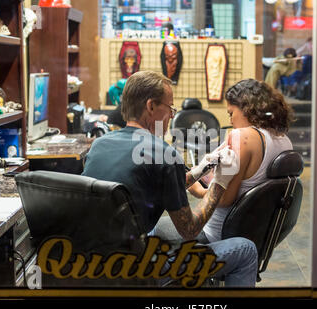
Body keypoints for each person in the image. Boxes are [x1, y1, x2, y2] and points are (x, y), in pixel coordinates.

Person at [82, 71, 258, 287]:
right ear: (151, 106)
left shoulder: (100, 144)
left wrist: (199, 170)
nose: (172, 116)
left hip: (93, 260)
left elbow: (153, 184)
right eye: (170, 108)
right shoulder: (164, 153)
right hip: (137, 268)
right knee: (246, 249)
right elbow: (190, 231)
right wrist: (219, 184)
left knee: (155, 229)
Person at [152, 78, 293, 244]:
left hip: (216, 233)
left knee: (153, 228)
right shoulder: (284, 141)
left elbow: (225, 199)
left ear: (247, 108)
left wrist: (197, 190)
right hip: (255, 234)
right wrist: (204, 174)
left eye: (231, 113)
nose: (230, 120)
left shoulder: (241, 136)